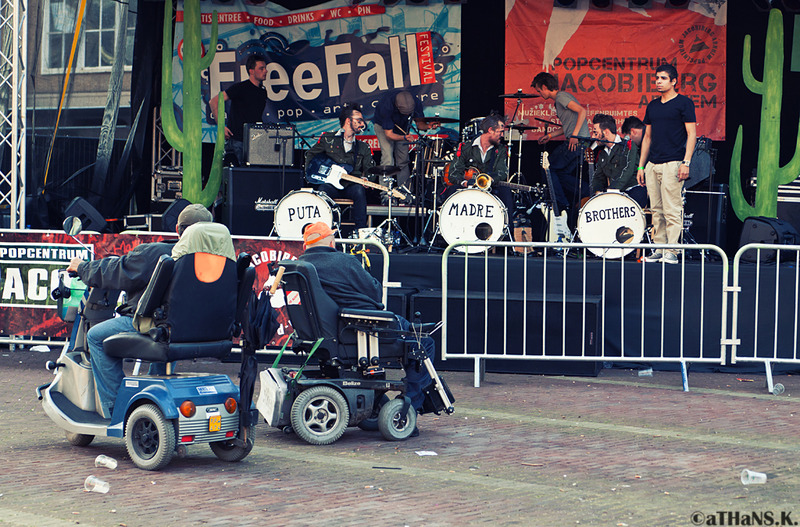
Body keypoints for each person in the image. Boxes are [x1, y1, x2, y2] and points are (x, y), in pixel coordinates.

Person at [66, 204, 214, 418]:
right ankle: (153, 397)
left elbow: (118, 270)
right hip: (195, 329)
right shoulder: (218, 260)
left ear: (177, 229)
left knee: (96, 336)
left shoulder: (159, 252)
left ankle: (117, 409)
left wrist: (82, 267)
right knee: (164, 334)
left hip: (157, 326)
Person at [298, 222, 435, 436]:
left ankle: (381, 402)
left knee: (412, 334)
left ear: (306, 244)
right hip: (362, 330)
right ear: (331, 242)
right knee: (423, 342)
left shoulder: (300, 266)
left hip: (328, 333)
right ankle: (412, 408)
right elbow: (374, 292)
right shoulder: (344, 261)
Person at [636, 63, 697, 264]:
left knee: (672, 209)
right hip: (653, 164)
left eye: (663, 78)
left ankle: (672, 251)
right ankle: (659, 248)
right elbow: (647, 138)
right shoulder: (652, 105)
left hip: (674, 163)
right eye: (657, 78)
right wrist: (641, 166)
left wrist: (686, 162)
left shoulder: (684, 103)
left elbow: (691, 134)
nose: (658, 82)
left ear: (674, 81)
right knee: (656, 210)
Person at [304, 104, 375, 233]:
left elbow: (370, 169)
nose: (362, 124)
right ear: (348, 121)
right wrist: (311, 173)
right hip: (331, 186)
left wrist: (367, 178)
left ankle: (360, 232)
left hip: (351, 185)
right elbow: (311, 154)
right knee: (323, 190)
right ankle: (324, 230)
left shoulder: (363, 147)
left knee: (359, 191)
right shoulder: (328, 139)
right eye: (358, 120)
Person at [531, 72, 590, 213]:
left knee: (547, 167)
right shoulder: (560, 99)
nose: (540, 94)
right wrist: (550, 135)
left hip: (577, 142)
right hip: (580, 142)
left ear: (545, 87)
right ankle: (587, 191)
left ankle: (560, 203)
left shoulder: (561, 97)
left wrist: (575, 135)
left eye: (539, 90)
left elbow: (582, 111)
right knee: (560, 174)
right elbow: (568, 125)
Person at [444, 114, 514, 214]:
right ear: (490, 130)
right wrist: (465, 182)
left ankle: (507, 228)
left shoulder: (501, 149)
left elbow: (502, 172)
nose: (502, 135)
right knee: (452, 190)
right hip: (467, 187)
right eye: (500, 132)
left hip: (490, 187)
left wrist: (488, 180)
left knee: (505, 191)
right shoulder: (465, 147)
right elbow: (453, 173)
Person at [372, 90, 439, 196]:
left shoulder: (415, 102)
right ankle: (385, 193)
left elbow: (420, 125)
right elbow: (389, 134)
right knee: (388, 157)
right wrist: (404, 137)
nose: (408, 115)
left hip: (402, 128)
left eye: (409, 113)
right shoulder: (386, 105)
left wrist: (429, 126)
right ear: (397, 107)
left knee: (403, 160)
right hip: (383, 128)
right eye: (405, 113)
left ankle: (405, 193)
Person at [209, 54, 268, 166]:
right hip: (238, 141)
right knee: (238, 176)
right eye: (261, 68)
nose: (265, 71)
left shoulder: (263, 92)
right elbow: (214, 101)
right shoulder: (240, 88)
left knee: (254, 176)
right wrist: (221, 126)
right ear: (251, 71)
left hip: (255, 141)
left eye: (265, 68)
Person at [590, 114, 645, 207]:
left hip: (632, 190)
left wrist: (611, 191)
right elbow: (598, 177)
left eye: (596, 133)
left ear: (606, 132)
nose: (593, 136)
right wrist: (596, 193)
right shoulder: (602, 153)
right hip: (615, 194)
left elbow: (628, 170)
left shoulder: (628, 145)